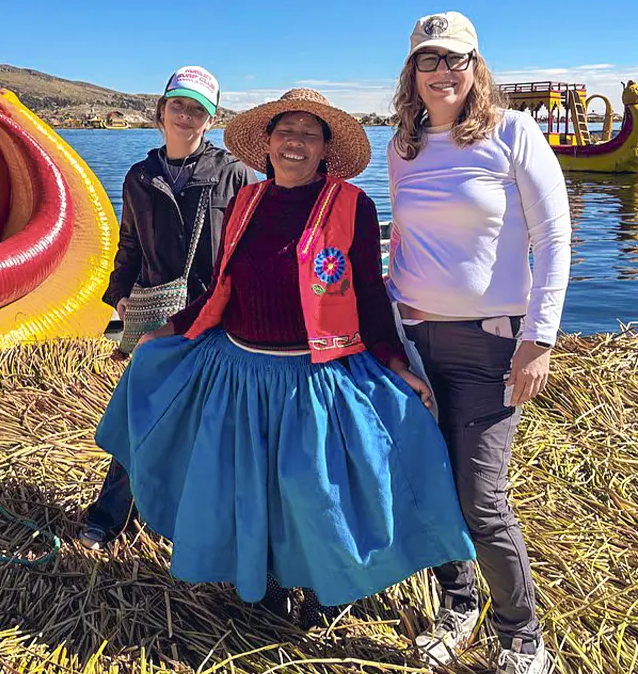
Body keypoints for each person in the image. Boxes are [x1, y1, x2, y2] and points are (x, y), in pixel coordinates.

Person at [95, 87, 475, 631]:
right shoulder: (246, 202)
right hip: (243, 373)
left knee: (317, 489)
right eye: (285, 132)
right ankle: (269, 583)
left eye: (309, 134)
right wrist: (167, 330)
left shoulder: (352, 205)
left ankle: (332, 588)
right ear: (268, 142)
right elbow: (223, 286)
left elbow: (369, 295)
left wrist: (394, 364)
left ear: (325, 149)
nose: (295, 142)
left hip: (316, 375)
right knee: (258, 486)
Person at [386, 12, 572, 674]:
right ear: (413, 72)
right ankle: (459, 604)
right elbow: (406, 238)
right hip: (413, 342)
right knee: (431, 485)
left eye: (455, 59)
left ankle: (522, 635)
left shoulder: (513, 132)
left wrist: (539, 338)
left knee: (481, 500)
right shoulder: (403, 147)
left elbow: (553, 239)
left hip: (490, 347)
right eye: (429, 60)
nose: (442, 72)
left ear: (475, 66)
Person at [82, 65, 256, 550]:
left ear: (211, 118)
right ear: (161, 111)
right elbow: (130, 243)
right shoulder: (140, 177)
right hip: (158, 322)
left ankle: (204, 526)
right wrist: (119, 296)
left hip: (217, 323)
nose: (186, 115)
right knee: (140, 415)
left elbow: (252, 251)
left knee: (215, 426)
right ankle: (109, 517)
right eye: (178, 105)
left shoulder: (234, 174)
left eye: (198, 108)